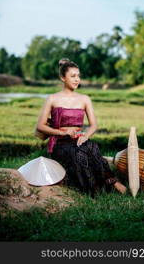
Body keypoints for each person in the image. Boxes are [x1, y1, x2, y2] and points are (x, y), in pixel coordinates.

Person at [36, 58, 127, 197]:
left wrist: (85, 136)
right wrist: (62, 132)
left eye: (78, 76)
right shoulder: (52, 99)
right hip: (60, 143)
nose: (77, 79)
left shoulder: (84, 99)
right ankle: (93, 190)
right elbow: (40, 126)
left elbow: (94, 125)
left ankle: (113, 183)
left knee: (92, 147)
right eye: (73, 76)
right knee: (79, 154)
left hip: (78, 139)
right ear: (62, 78)